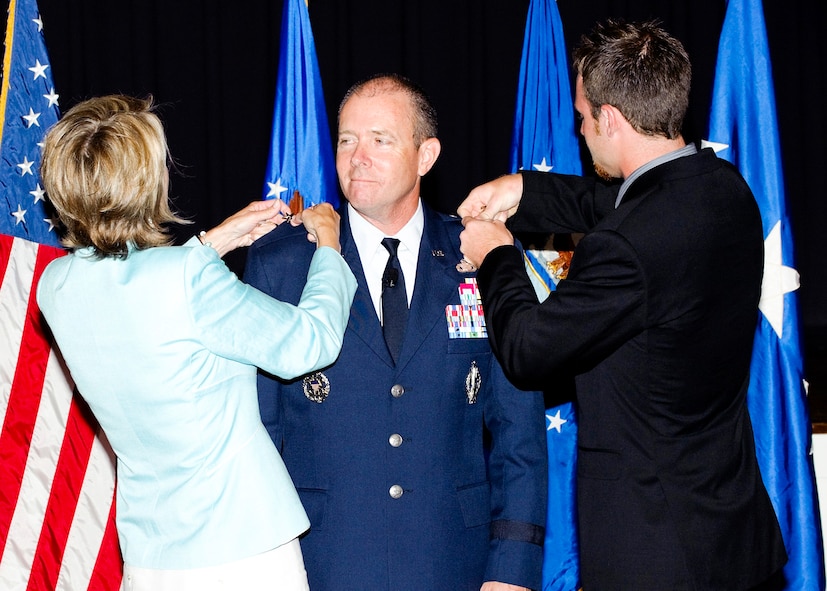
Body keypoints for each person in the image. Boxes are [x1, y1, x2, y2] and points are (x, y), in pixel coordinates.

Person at [457, 19, 788, 591]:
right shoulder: (725, 188)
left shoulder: (626, 249)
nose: (580, 132)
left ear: (610, 118)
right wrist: (524, 189)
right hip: (731, 540)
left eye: (584, 119)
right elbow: (625, 198)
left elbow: (527, 348)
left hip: (654, 556)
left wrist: (496, 256)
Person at [35, 94, 357, 591]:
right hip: (245, 552)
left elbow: (141, 297)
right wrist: (331, 249)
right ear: (148, 181)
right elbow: (306, 345)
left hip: (150, 557)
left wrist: (212, 244)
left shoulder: (55, 287)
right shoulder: (187, 279)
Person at [245, 74, 547, 591]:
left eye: (380, 140)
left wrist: (512, 572)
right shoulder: (285, 265)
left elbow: (520, 435)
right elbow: (257, 432)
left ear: (426, 155)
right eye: (346, 139)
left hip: (454, 563)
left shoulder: (479, 257)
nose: (357, 156)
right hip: (322, 562)